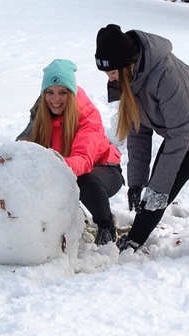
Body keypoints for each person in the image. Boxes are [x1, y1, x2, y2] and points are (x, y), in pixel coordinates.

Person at [93, 24, 189, 273]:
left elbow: (180, 132)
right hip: (182, 138)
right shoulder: (130, 79)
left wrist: (158, 188)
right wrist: (137, 183)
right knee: (153, 195)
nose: (109, 78)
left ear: (127, 64)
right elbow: (138, 132)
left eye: (112, 71)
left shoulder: (165, 73)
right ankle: (134, 241)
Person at [17, 59, 123, 246]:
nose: (55, 99)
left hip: (104, 171)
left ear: (71, 93)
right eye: (50, 92)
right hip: (63, 168)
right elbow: (25, 145)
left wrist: (54, 164)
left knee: (83, 180)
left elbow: (83, 160)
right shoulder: (41, 111)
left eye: (62, 93)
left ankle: (106, 225)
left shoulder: (87, 115)